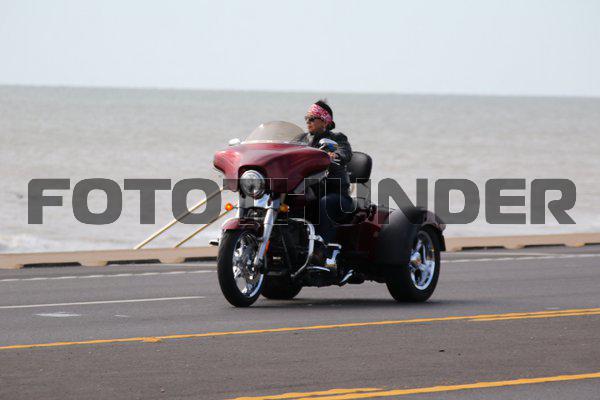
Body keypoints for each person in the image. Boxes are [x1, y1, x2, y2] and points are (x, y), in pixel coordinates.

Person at [300, 100, 354, 264]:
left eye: (312, 118)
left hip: (337, 196)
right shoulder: (302, 139)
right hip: (311, 191)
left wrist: (335, 155)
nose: (308, 122)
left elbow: (345, 152)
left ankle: (322, 250)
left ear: (324, 121)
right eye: (306, 118)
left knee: (324, 203)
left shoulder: (337, 138)